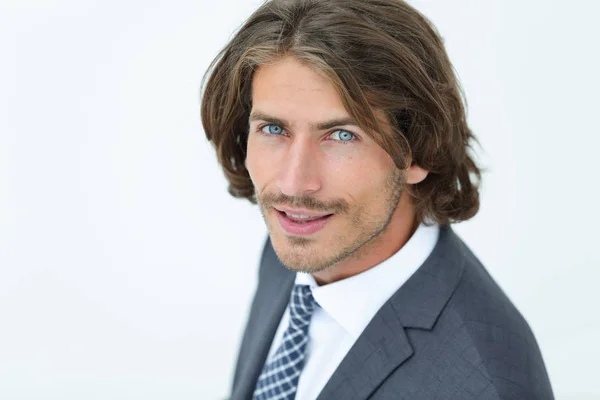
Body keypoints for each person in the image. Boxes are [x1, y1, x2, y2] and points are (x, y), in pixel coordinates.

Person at [200, 0, 554, 398]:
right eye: (273, 128)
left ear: (417, 152)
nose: (293, 183)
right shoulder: (296, 242)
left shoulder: (484, 383)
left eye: (342, 135)